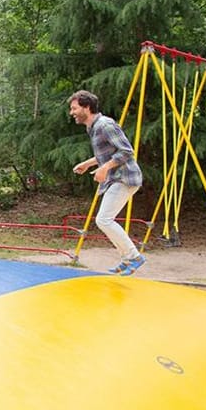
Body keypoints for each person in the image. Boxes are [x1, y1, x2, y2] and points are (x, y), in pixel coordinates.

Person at [69, 90, 146, 275]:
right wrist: (88, 164)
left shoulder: (105, 125)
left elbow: (126, 151)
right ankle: (127, 259)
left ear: (87, 107)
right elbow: (106, 153)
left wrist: (105, 168)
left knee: (103, 219)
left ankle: (134, 257)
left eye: (74, 108)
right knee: (104, 220)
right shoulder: (93, 127)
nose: (72, 112)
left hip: (125, 177)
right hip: (116, 178)